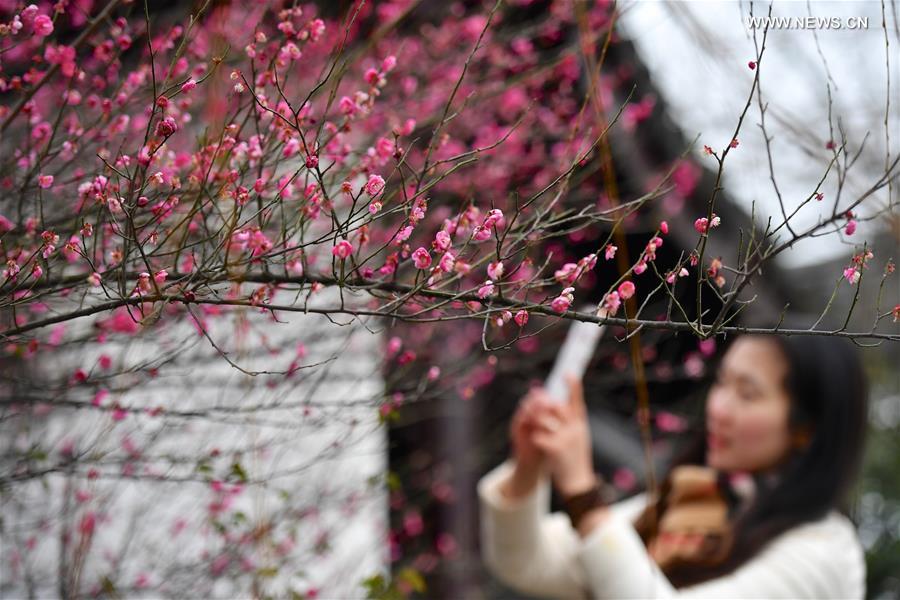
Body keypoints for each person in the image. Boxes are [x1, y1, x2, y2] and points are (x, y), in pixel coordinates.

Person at [478, 335, 868, 598]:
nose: (717, 408)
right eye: (722, 383)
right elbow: (528, 563)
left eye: (747, 394)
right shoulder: (687, 502)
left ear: (805, 429)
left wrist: (583, 493)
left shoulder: (825, 552)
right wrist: (527, 469)